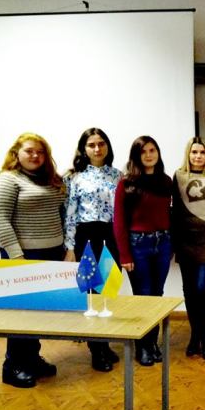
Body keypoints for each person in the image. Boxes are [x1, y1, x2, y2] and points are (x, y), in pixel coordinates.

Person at [0, 132, 67, 388]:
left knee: (39, 312)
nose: (35, 155)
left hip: (51, 253)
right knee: (21, 313)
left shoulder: (49, 179)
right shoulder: (8, 179)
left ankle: (32, 358)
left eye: (40, 152)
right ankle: (12, 366)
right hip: (23, 255)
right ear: (16, 153)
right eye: (29, 151)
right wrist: (17, 257)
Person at [64, 127, 122, 373]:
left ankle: (104, 343)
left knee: (108, 289)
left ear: (107, 146)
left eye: (101, 143)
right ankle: (96, 350)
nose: (97, 148)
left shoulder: (118, 175)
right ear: (84, 149)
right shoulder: (74, 177)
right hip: (86, 236)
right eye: (91, 145)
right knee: (91, 292)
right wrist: (69, 247)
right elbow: (69, 213)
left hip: (112, 235)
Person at [113, 136, 173, 367]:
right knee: (143, 295)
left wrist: (171, 244)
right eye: (143, 151)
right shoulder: (126, 183)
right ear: (136, 156)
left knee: (157, 295)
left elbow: (169, 215)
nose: (149, 155)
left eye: (152, 150)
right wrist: (125, 255)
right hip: (138, 245)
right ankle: (143, 346)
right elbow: (119, 222)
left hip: (163, 243)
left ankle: (153, 342)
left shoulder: (166, 181)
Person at [171, 137, 205, 361]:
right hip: (185, 241)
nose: (198, 156)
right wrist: (173, 242)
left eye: (202, 152)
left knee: (202, 288)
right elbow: (174, 211)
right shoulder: (178, 176)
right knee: (189, 290)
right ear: (188, 154)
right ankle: (195, 336)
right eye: (194, 152)